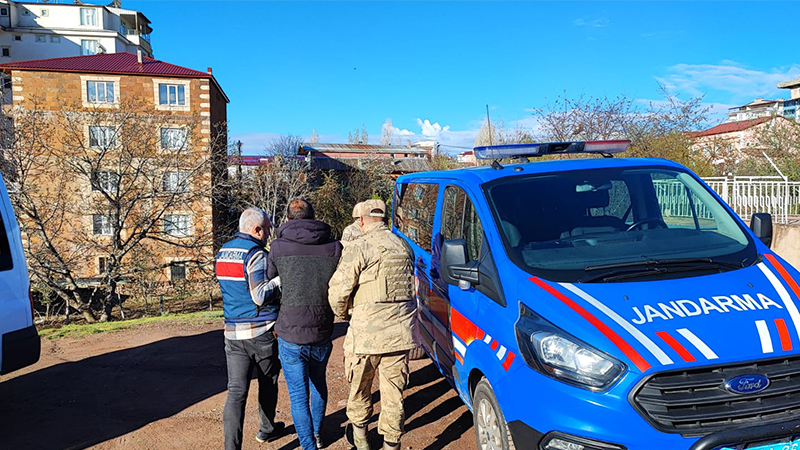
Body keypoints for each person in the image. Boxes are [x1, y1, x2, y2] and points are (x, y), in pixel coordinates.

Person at [328, 199, 417, 450]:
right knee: (393, 395)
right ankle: (391, 445)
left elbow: (338, 291)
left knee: (359, 388)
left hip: (366, 334)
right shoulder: (403, 246)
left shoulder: (360, 246)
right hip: (399, 334)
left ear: (363, 220)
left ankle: (361, 440)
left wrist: (344, 315)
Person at [268, 199, 342, 450]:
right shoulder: (334, 247)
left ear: (288, 219)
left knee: (299, 396)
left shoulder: (277, 247)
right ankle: (318, 435)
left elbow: (270, 283)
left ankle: (309, 445)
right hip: (322, 327)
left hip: (290, 330)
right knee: (318, 384)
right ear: (313, 217)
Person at [215, 208, 284, 450]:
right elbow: (259, 295)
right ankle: (266, 429)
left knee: (236, 392)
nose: (268, 233)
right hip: (261, 331)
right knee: (268, 382)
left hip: (232, 333)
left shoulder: (223, 252)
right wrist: (279, 281)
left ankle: (231, 447)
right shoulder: (257, 255)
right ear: (256, 229)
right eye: (266, 228)